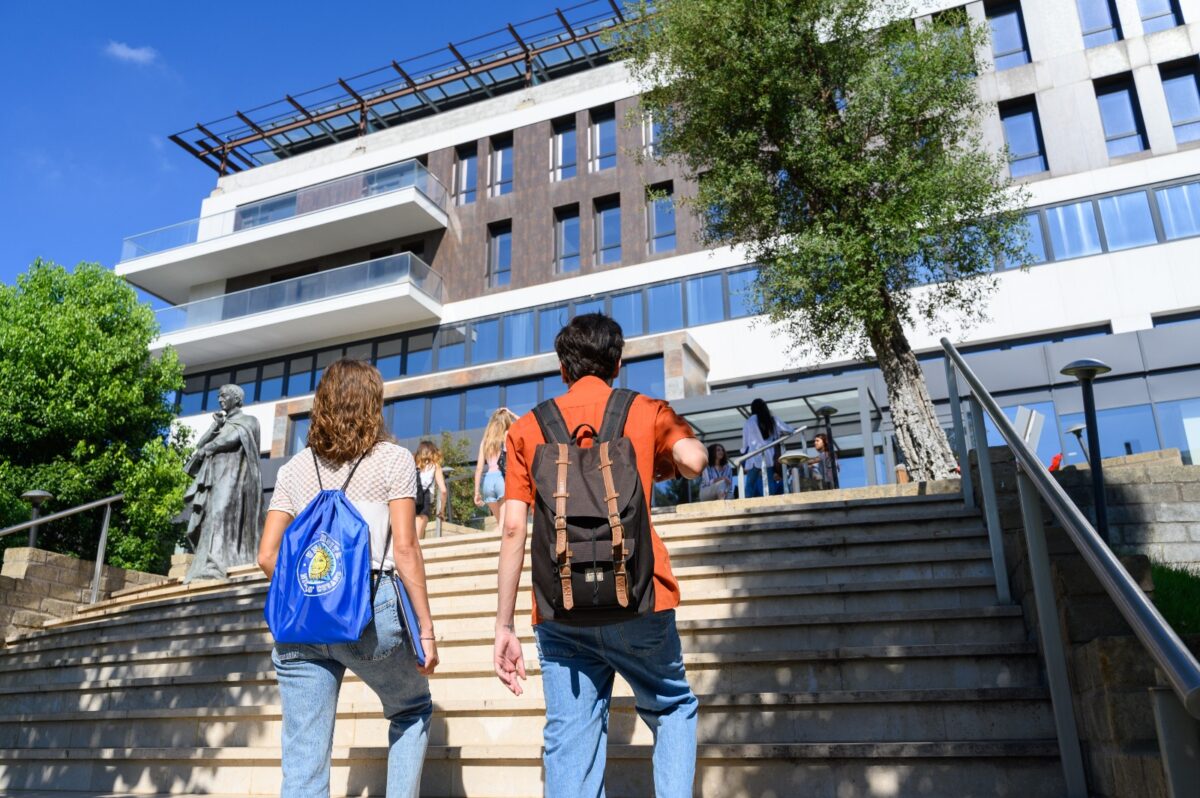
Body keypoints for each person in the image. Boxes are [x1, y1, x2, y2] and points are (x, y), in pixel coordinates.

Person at [493, 313, 708, 797]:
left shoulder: (526, 428)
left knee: (571, 740)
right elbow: (694, 461)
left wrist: (504, 626)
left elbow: (511, 529)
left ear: (563, 368)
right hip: (639, 595)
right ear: (616, 363)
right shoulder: (646, 409)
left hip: (561, 607)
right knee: (672, 707)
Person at [257, 358, 438, 798]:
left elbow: (266, 555)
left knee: (304, 765)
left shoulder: (294, 470)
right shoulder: (393, 461)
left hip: (301, 623)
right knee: (411, 708)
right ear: (373, 404)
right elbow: (406, 550)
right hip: (368, 611)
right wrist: (426, 630)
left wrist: (315, 589)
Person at [182, 383, 262, 583]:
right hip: (213, 478)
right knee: (210, 518)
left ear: (237, 398)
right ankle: (206, 564)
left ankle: (218, 563)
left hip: (233, 478)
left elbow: (232, 439)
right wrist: (214, 426)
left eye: (224, 395)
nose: (220, 399)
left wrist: (209, 447)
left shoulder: (248, 420)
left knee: (221, 514)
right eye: (218, 396)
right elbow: (199, 444)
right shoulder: (222, 424)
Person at [740, 398, 794, 498]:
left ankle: (746, 503)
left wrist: (743, 452)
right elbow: (789, 429)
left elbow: (745, 441)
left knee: (750, 484)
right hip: (768, 456)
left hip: (754, 456)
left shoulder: (750, 421)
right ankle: (770, 502)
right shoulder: (771, 420)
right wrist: (780, 434)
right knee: (769, 483)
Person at [474, 407, 517, 529]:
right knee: (503, 524)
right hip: (501, 479)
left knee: (500, 523)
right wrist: (511, 414)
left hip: (487, 481)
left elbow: (478, 468)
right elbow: (524, 425)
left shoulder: (485, 441)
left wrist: (476, 492)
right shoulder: (507, 435)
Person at [413, 440, 446, 539]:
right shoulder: (435, 466)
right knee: (418, 538)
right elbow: (443, 491)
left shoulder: (412, 464)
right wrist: (442, 510)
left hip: (410, 498)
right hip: (424, 500)